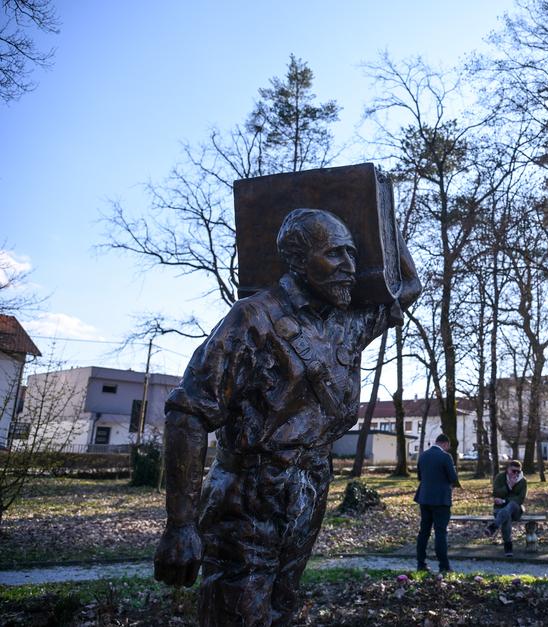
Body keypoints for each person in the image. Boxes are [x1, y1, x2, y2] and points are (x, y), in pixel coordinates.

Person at [152, 208, 421, 627]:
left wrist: (381, 214)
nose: (350, 267)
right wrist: (180, 525)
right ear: (296, 259)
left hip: (307, 490)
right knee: (236, 614)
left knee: (281, 609)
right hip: (247, 497)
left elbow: (407, 286)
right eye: (335, 255)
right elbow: (188, 413)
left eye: (353, 254)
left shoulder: (345, 322)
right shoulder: (253, 318)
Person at [414, 433, 458, 573]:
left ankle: (421, 563)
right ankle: (443, 565)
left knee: (424, 532)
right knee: (440, 532)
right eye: (447, 447)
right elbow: (453, 477)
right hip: (441, 499)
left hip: (424, 497)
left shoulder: (423, 456)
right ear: (445, 444)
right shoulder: (446, 457)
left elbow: (420, 477)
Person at [486, 459, 527, 557]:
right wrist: (509, 486)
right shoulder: (500, 477)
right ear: (508, 469)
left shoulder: (522, 481)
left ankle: (493, 527)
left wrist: (504, 501)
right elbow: (496, 493)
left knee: (512, 504)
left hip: (516, 511)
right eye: (513, 471)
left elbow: (520, 499)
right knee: (506, 516)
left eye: (518, 471)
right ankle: (508, 546)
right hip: (499, 510)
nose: (516, 473)